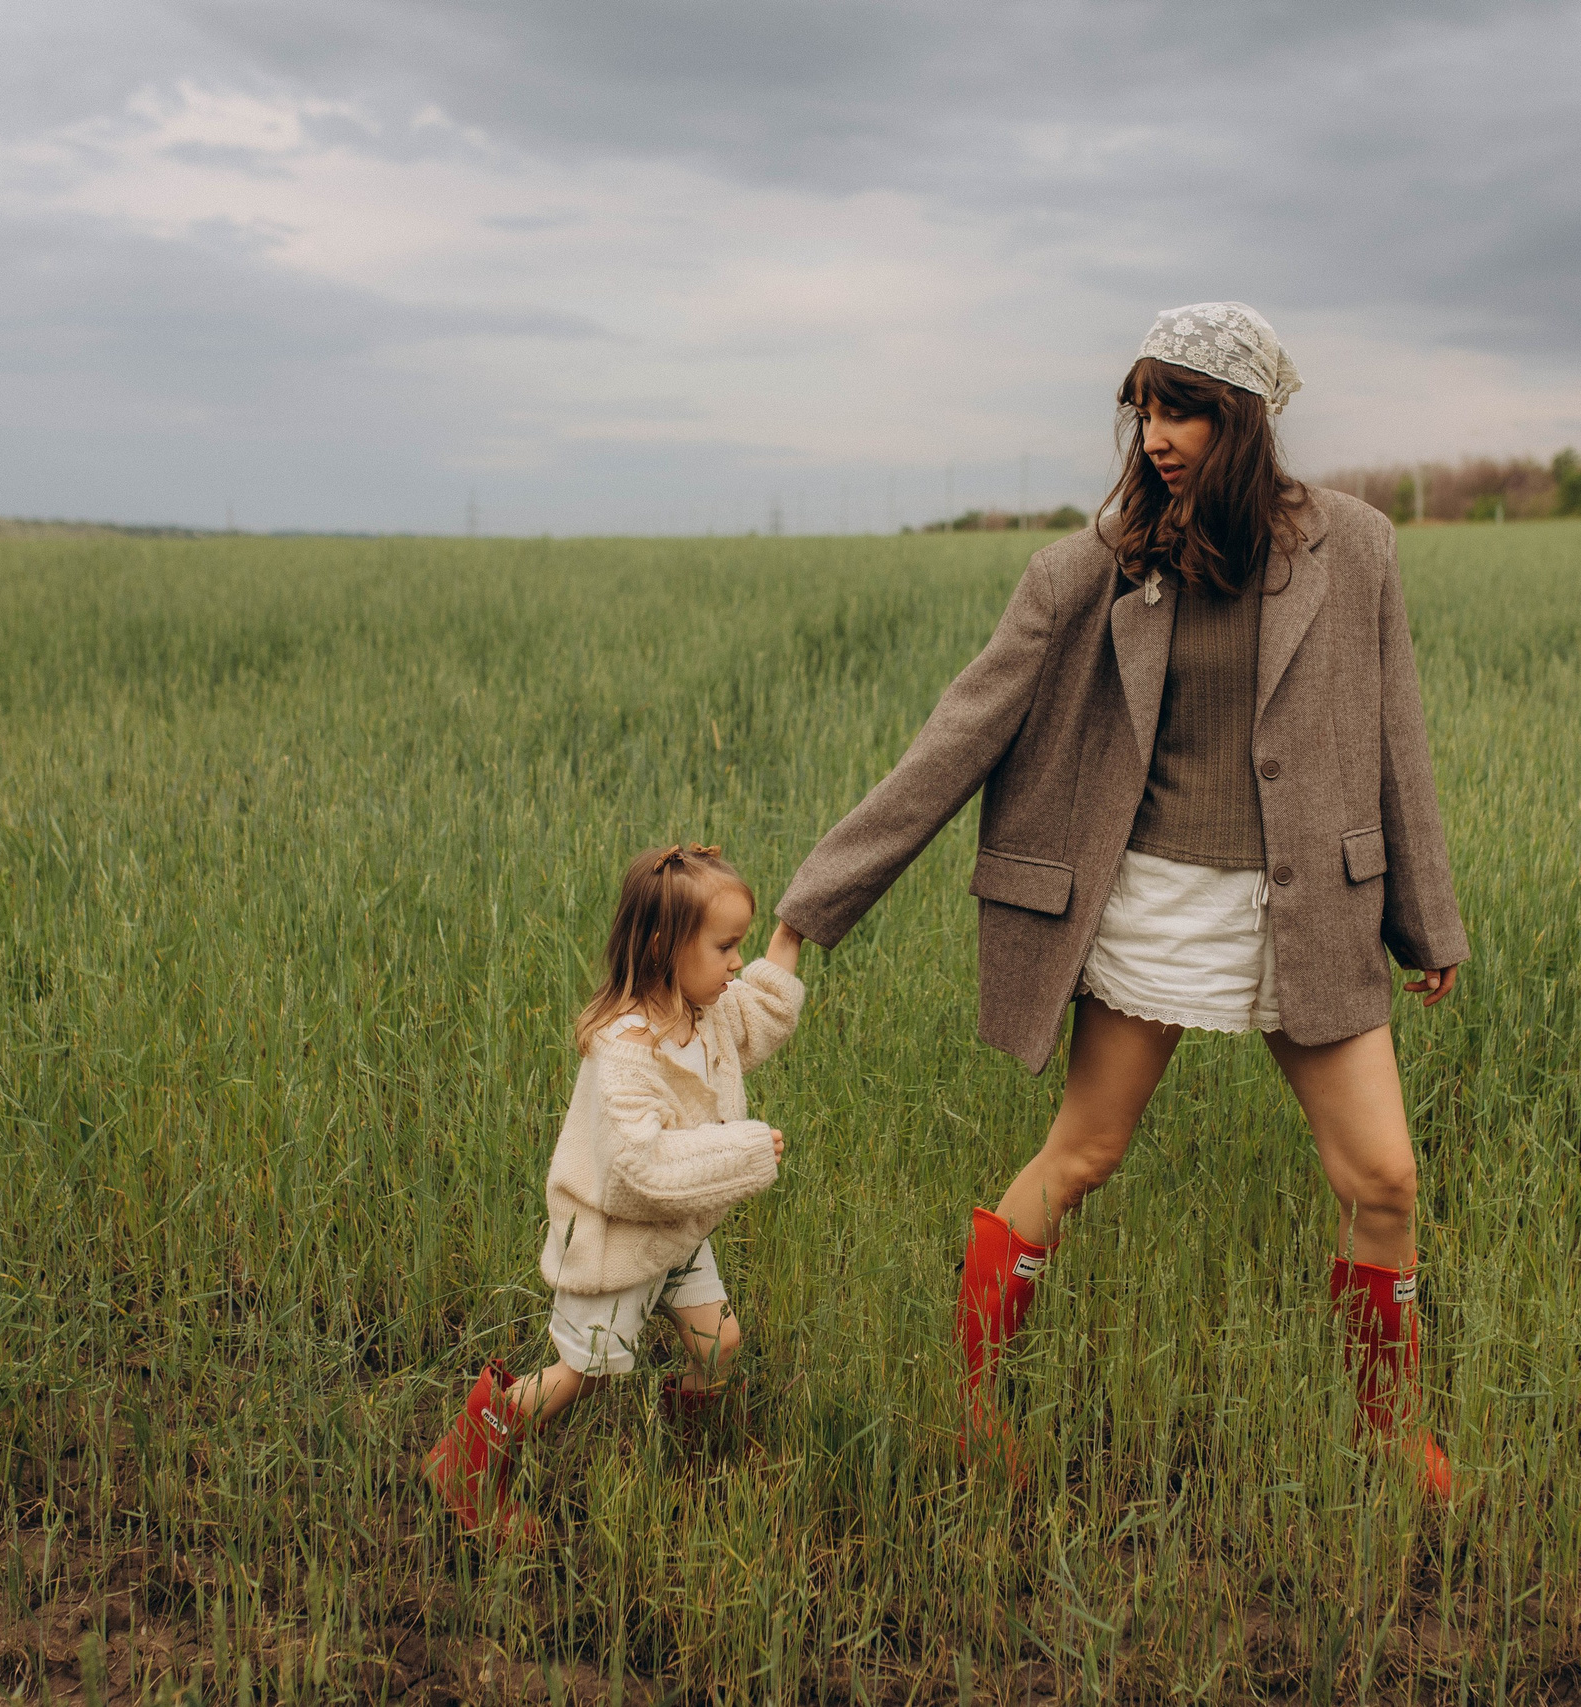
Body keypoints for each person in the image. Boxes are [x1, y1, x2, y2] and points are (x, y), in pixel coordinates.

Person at [769, 303, 1469, 1495]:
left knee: (1385, 1179)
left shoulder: (1355, 549)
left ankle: (1391, 1429)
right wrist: (802, 917)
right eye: (1144, 406)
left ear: (1243, 419)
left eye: (1183, 406)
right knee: (1083, 1152)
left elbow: (1395, 733)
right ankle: (976, 1405)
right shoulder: (1087, 572)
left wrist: (1427, 920)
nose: (1155, 433)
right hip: (1147, 907)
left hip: (1310, 912)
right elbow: (955, 739)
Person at [426, 844, 803, 1541]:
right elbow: (640, 1169)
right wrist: (745, 1148)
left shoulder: (704, 1010)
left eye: (741, 946)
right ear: (664, 945)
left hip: (675, 1232)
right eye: (725, 946)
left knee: (719, 1344)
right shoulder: (624, 1050)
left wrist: (792, 932)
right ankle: (467, 1463)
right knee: (581, 1374)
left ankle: (698, 1469)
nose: (735, 965)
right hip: (614, 1238)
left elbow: (763, 1013)